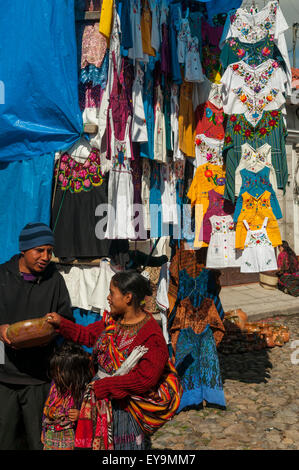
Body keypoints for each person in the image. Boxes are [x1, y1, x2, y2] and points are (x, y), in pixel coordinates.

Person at [46, 270, 182, 450]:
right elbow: (86, 335)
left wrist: (105, 386)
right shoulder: (112, 322)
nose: (108, 297)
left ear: (128, 297)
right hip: (101, 400)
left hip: (124, 408)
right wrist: (61, 324)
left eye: (112, 292)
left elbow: (145, 379)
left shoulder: (151, 335)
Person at [0, 222, 73, 450]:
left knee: (37, 441)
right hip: (4, 376)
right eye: (39, 250)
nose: (45, 257)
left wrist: (54, 327)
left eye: (49, 251)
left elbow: (67, 319)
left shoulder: (55, 280)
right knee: (5, 439)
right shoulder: (2, 276)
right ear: (23, 249)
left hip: (39, 377)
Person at [41, 341, 93, 450]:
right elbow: (47, 409)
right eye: (55, 371)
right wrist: (44, 430)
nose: (56, 375)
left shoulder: (84, 391)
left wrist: (80, 415)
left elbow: (93, 416)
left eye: (60, 372)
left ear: (75, 372)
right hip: (51, 438)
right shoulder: (55, 385)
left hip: (71, 441)